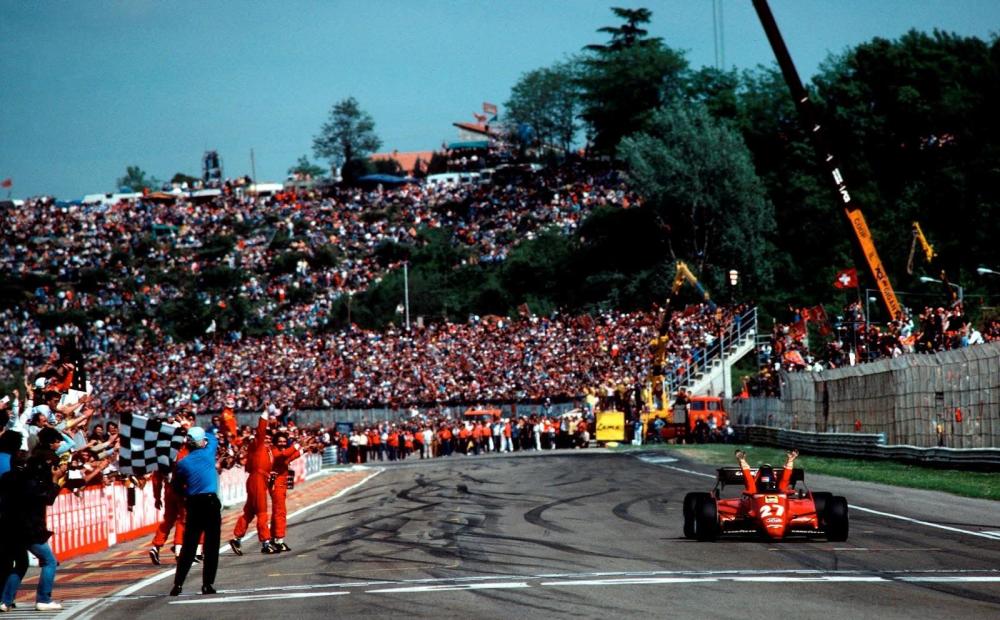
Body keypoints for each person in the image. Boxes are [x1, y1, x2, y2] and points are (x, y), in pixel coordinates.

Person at [1, 426, 67, 611]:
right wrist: (55, 480)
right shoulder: (29, 482)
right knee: (49, 561)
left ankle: (4, 601)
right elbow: (47, 499)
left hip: (8, 526)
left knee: (21, 563)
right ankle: (43, 599)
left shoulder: (6, 479)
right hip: (29, 528)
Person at [169, 426, 221, 596]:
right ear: (202, 442)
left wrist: (186, 496)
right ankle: (207, 584)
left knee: (189, 546)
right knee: (211, 545)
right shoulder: (208, 453)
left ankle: (178, 584)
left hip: (193, 503)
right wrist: (192, 428)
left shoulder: (183, 464)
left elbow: (176, 486)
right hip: (210, 503)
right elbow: (213, 438)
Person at [229, 408, 275, 555]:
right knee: (262, 511)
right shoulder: (257, 445)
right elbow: (261, 431)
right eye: (266, 437)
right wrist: (265, 415)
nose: (267, 440)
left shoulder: (269, 451)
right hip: (257, 480)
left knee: (249, 511)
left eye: (270, 438)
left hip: (260, 481)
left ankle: (236, 538)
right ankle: (266, 542)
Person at [267, 432, 300, 553]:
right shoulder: (274, 450)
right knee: (280, 512)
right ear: (275, 442)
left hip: (281, 484)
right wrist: (297, 446)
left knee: (277, 511)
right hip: (276, 484)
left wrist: (303, 449)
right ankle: (279, 540)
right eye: (280, 441)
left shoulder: (280, 451)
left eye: (284, 441)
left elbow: (289, 458)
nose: (282, 443)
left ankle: (273, 537)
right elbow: (283, 456)